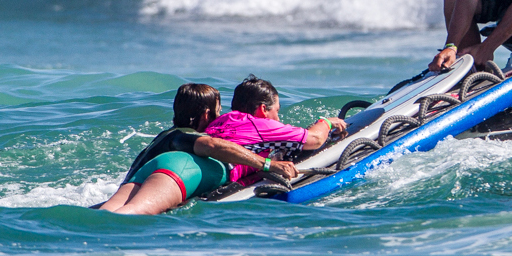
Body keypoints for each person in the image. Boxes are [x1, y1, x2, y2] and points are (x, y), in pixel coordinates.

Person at [99, 83, 298, 215]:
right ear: (205, 115)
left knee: (105, 214)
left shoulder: (165, 135)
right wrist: (267, 164)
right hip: (172, 171)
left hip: (141, 175)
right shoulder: (187, 136)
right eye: (218, 113)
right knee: (131, 214)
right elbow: (212, 145)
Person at [203, 74, 348, 171]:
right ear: (263, 109)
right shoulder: (261, 125)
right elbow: (315, 139)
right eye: (276, 111)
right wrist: (326, 122)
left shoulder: (220, 121)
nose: (278, 119)